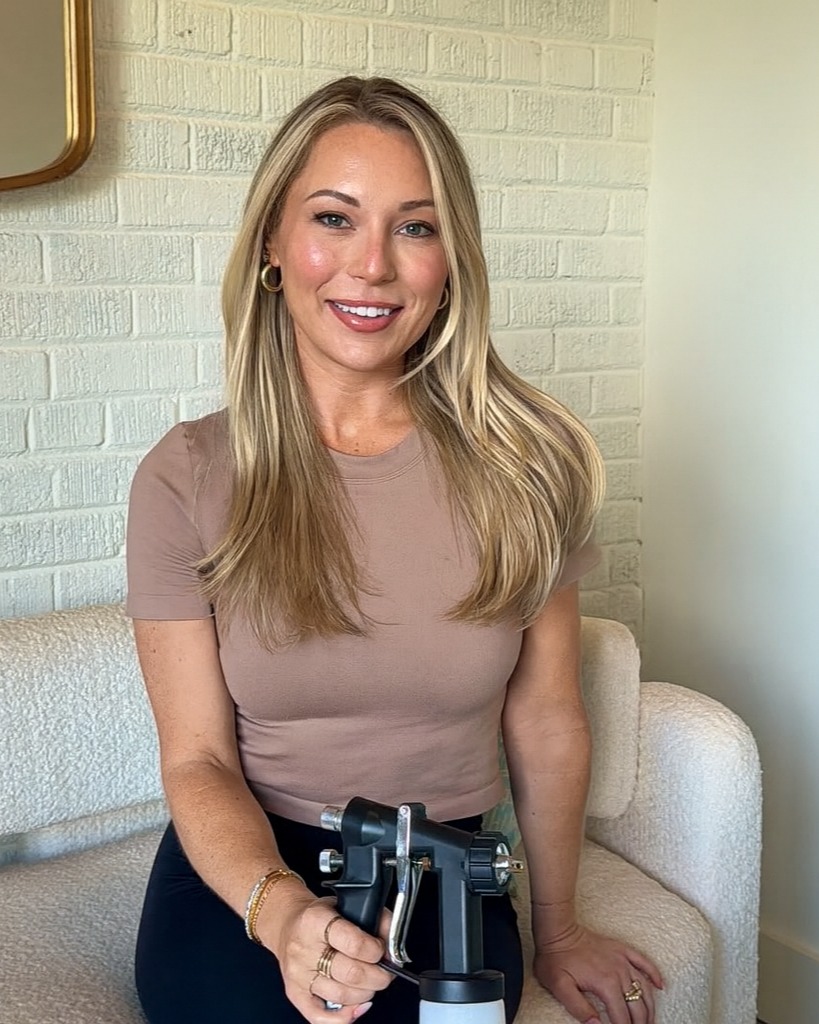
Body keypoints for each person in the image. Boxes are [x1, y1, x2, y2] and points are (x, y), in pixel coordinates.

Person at [126, 76, 662, 1024]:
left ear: (451, 261)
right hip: (251, 868)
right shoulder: (186, 477)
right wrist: (280, 909)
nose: (370, 265)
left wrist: (560, 928)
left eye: (415, 228)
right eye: (334, 217)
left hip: (450, 866)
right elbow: (199, 761)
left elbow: (544, 721)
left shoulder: (527, 465)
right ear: (273, 248)